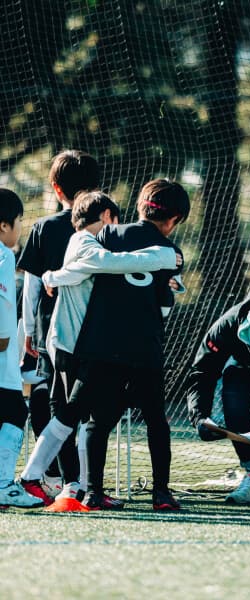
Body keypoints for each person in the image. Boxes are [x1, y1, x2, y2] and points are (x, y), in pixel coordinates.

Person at [20, 191, 181, 508]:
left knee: (84, 415)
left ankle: (79, 486)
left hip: (84, 344)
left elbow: (88, 270)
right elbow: (102, 263)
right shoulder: (85, 240)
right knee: (72, 413)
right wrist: (163, 257)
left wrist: (54, 276)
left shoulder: (93, 241)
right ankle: (42, 478)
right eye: (114, 220)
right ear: (107, 216)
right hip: (73, 344)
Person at [68, 178, 189, 511]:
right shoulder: (172, 253)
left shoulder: (108, 234)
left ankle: (93, 492)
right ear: (174, 219)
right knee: (156, 421)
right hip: (144, 345)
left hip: (103, 343)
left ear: (140, 207)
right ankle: (161, 493)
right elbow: (164, 305)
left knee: (98, 421)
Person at [17, 149, 100, 497]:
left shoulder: (45, 227)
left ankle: (69, 482)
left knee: (60, 404)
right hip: (98, 334)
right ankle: (89, 483)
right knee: (91, 409)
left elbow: (32, 288)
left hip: (55, 335)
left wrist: (28, 332)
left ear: (56, 187)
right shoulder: (107, 227)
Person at [187, 282, 250, 504]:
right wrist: (199, 416)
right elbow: (202, 372)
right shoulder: (226, 327)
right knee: (233, 391)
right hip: (248, 364)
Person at [0, 188, 43, 507]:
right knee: (15, 410)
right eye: (18, 221)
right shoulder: (4, 255)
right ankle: (3, 484)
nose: (19, 228)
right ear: (4, 225)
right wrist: (5, 340)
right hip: (1, 355)